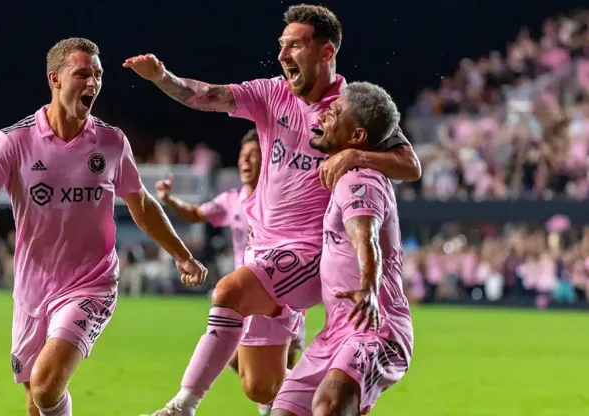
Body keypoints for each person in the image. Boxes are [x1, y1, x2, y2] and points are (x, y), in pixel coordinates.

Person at [124, 5, 421, 415]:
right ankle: (296, 368)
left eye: (295, 45)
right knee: (260, 387)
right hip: (263, 249)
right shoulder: (272, 94)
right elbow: (208, 95)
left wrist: (354, 155)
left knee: (228, 291)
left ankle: (182, 406)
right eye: (281, 45)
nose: (282, 55)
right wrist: (162, 78)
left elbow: (410, 165)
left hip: (307, 252)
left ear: (326, 52)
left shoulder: (349, 108)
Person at [0, 37, 207, 416]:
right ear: (55, 79)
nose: (93, 83)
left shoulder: (111, 142)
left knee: (47, 387)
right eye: (82, 74)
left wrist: (182, 256)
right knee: (36, 400)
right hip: (31, 291)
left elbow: (142, 204)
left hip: (90, 284)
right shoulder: (14, 141)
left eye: (98, 75)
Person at [273, 81, 413, 416]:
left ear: (357, 136)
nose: (323, 114)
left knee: (330, 404)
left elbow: (366, 235)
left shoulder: (358, 178)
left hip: (374, 326)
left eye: (335, 112)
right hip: (336, 331)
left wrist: (368, 286)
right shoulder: (348, 174)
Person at [156, 129, 306, 415]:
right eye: (242, 155)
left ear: (270, 159)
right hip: (242, 292)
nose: (245, 161)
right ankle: (310, 396)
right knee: (248, 372)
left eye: (253, 155)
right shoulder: (232, 200)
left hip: (276, 292)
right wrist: (169, 200)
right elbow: (196, 214)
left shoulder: (283, 199)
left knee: (271, 374)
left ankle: (183, 406)